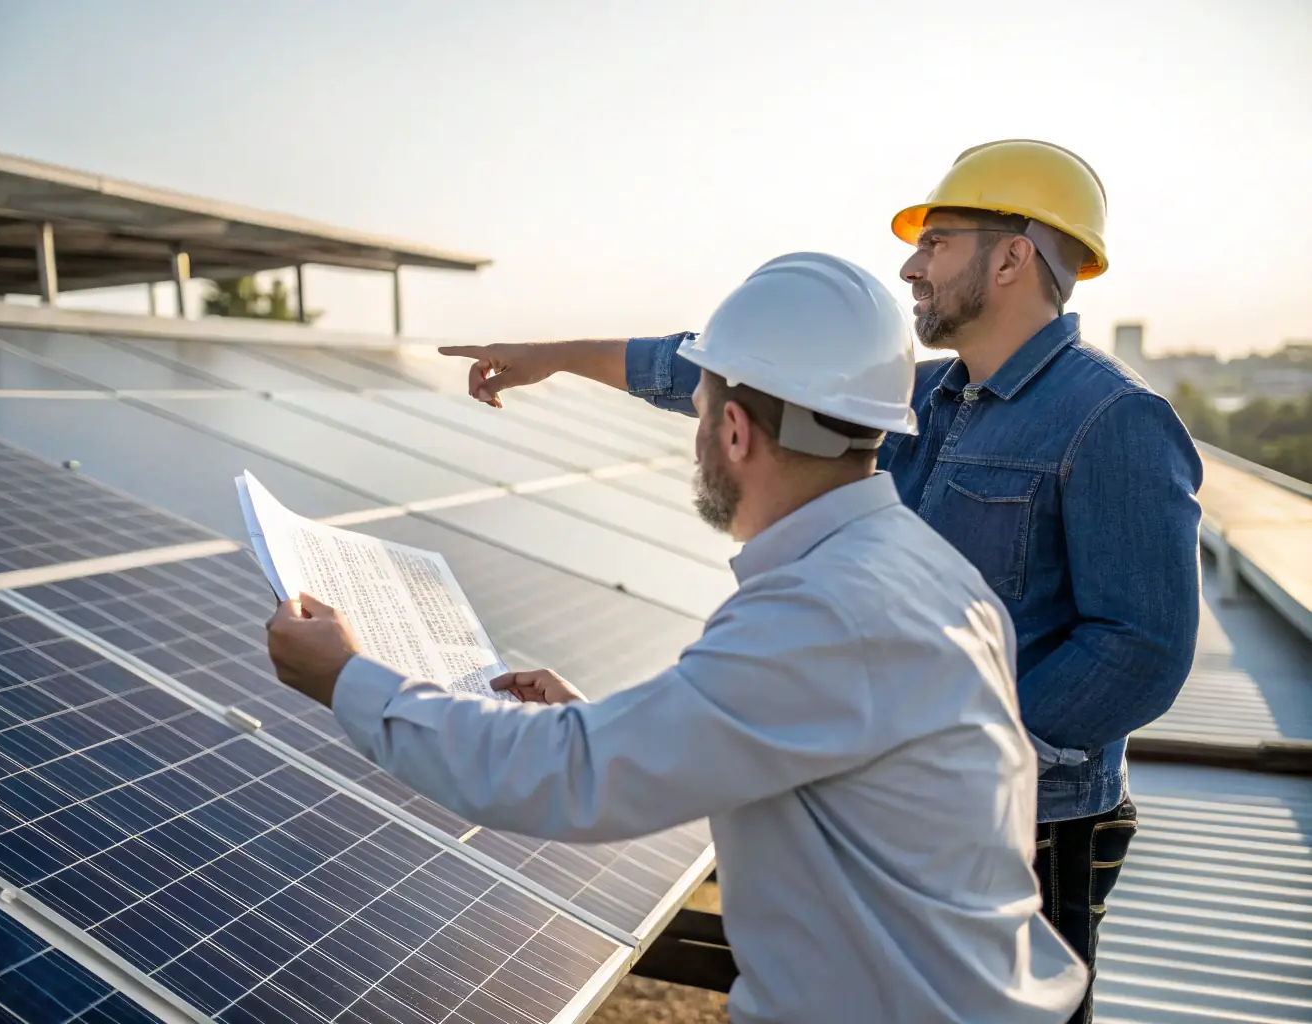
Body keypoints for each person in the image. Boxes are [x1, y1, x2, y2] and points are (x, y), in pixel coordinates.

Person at [436, 140, 1204, 1024]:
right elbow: (740, 376)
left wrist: (950, 752)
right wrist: (556, 356)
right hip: (900, 797)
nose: (911, 265)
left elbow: (1139, 649)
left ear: (1012, 256)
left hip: (1031, 823)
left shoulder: (1112, 420)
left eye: (937, 241)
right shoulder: (928, 395)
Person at [267, 253, 1088, 1024]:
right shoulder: (918, 569)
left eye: (696, 415)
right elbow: (823, 769)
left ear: (732, 430)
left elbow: (568, 777)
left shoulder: (823, 611)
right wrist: (621, 723)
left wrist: (346, 677)